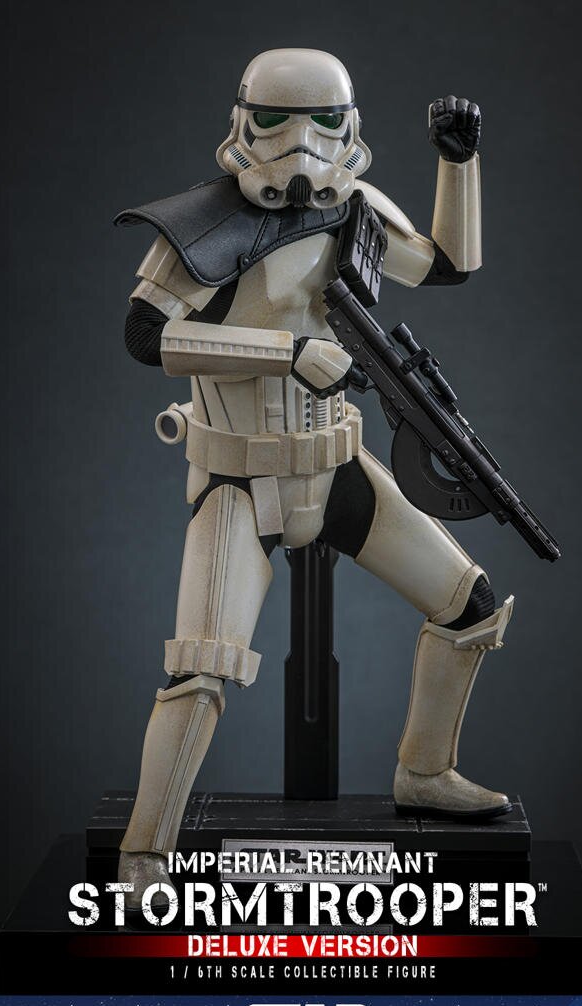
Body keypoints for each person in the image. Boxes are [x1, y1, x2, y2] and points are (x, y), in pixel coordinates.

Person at [115, 49, 513, 906]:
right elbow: (147, 335)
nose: (302, 141)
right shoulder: (204, 223)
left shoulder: (355, 209)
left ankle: (424, 771)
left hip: (336, 469)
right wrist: (286, 351)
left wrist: (458, 162)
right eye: (277, 119)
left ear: (350, 126)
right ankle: (145, 852)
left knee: (470, 606)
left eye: (324, 121)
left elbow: (447, 264)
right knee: (201, 669)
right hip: (240, 481)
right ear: (243, 121)